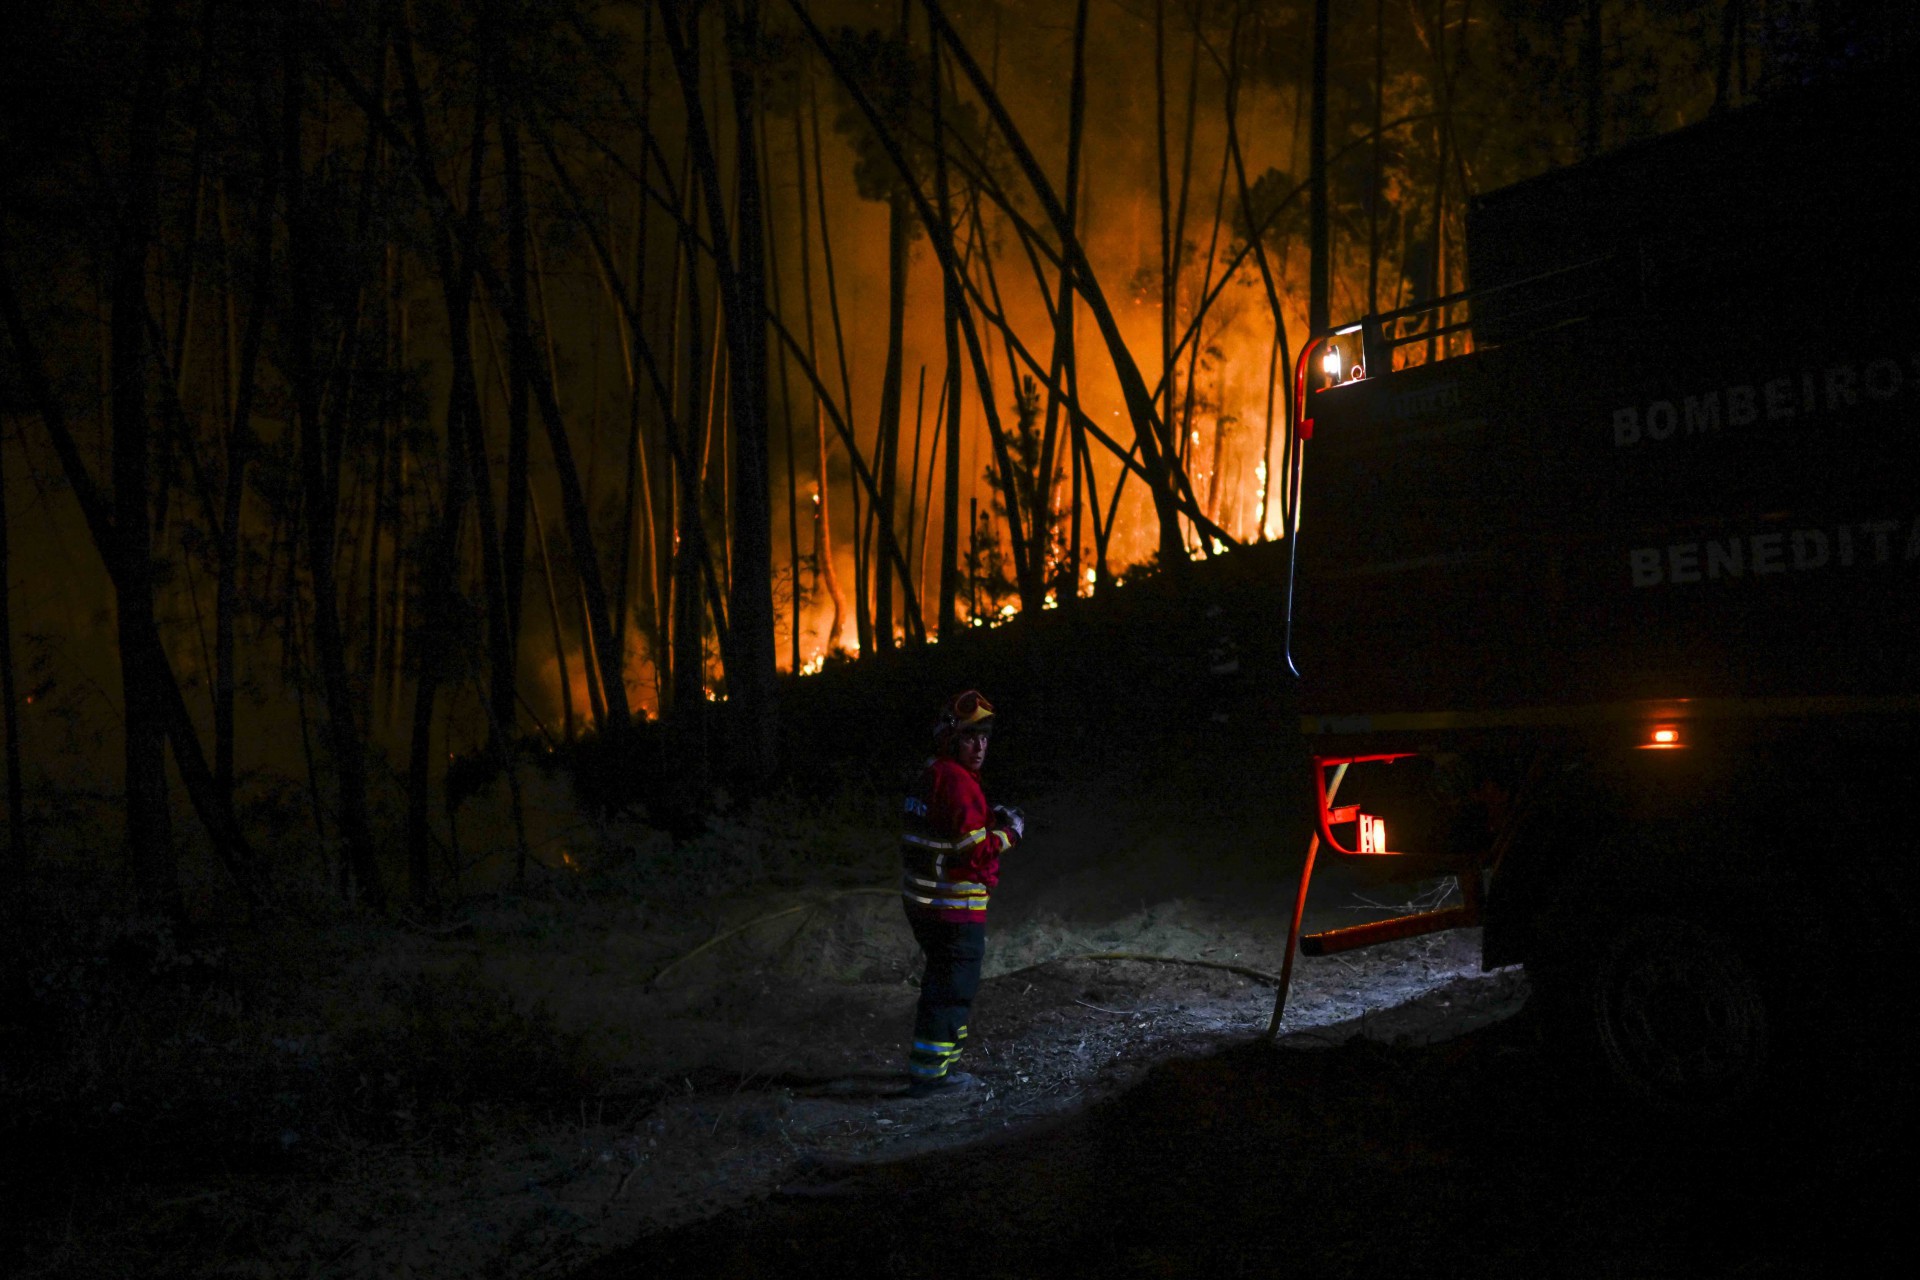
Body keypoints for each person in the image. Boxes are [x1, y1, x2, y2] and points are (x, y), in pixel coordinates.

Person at [899, 690, 1024, 1097]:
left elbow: (946, 829)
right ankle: (933, 1077)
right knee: (953, 988)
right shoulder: (957, 782)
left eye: (985, 737)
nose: (981, 746)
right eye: (971, 737)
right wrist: (1010, 833)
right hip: (954, 907)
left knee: (942, 983)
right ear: (952, 738)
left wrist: (988, 818)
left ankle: (936, 1067)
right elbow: (972, 850)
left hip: (925, 903)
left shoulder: (931, 772)